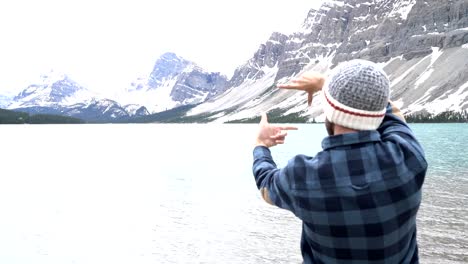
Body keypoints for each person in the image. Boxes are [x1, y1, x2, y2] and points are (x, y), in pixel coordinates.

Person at [252, 60, 428, 263]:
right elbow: (392, 114)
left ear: (329, 110)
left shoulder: (302, 176)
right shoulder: (409, 155)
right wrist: (326, 85)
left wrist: (261, 145)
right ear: (377, 113)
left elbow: (266, 184)